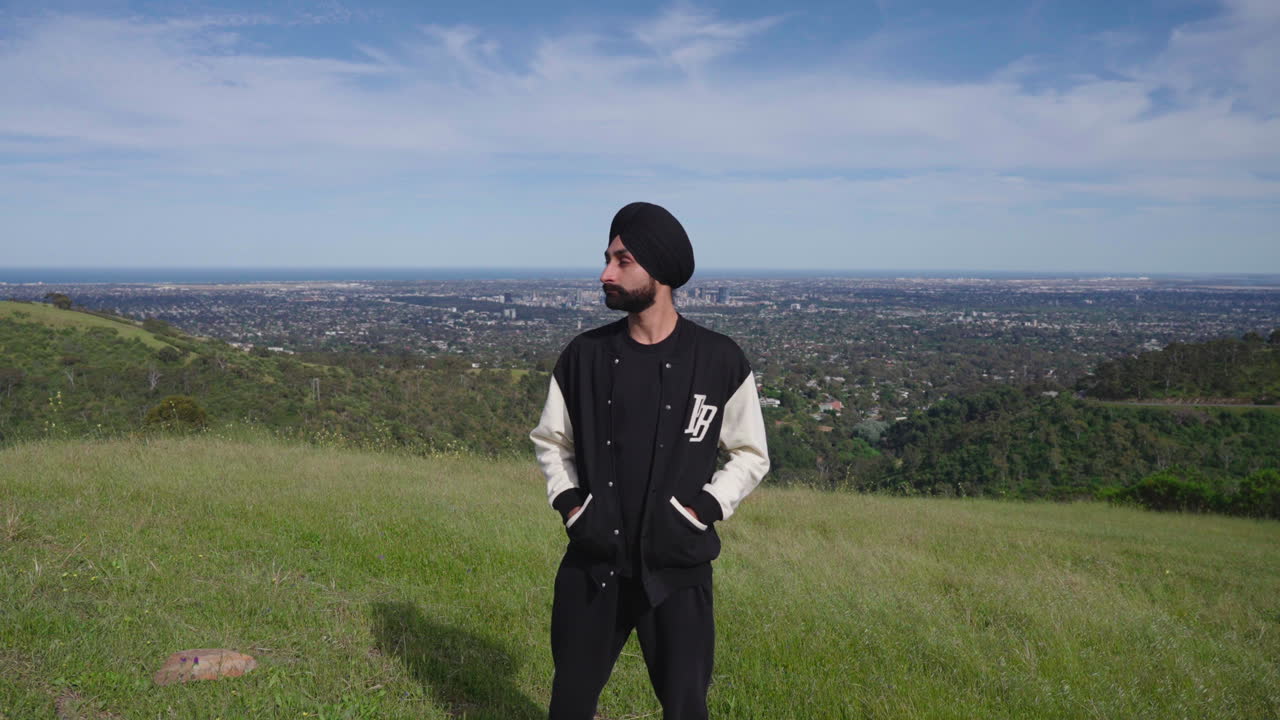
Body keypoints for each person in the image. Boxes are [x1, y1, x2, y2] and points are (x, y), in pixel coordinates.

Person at [530, 201, 770, 720]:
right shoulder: (584, 357)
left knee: (685, 707)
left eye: (623, 261)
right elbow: (551, 441)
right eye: (607, 259)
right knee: (569, 703)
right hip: (593, 564)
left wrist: (702, 511)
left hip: (679, 569)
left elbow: (751, 454)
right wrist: (573, 507)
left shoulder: (719, 360)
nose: (605, 273)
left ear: (658, 271)